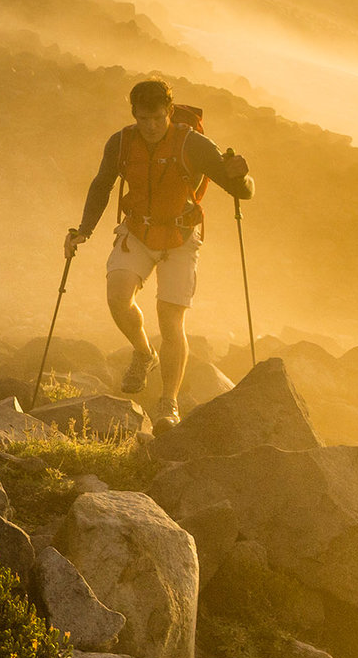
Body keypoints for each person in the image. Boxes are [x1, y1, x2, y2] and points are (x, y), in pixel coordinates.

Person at [62, 79, 254, 424]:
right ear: (134, 113)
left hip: (180, 237)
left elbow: (239, 190)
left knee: (169, 318)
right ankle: (143, 353)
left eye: (157, 118)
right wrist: (84, 230)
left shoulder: (192, 144)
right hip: (137, 229)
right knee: (118, 296)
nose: (150, 126)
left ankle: (169, 404)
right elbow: (102, 184)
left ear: (169, 112)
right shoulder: (121, 143)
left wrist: (243, 177)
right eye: (143, 118)